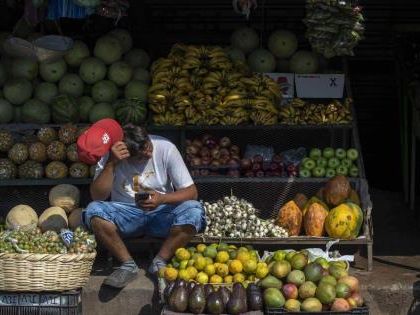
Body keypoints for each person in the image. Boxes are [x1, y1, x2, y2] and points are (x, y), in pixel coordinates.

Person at [77, 119, 206, 288]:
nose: (149, 154)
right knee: (93, 211)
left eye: (148, 146)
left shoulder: (166, 147)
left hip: (161, 213)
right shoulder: (112, 155)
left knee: (194, 211)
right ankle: (128, 265)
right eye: (141, 155)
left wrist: (162, 198)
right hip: (126, 216)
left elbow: (192, 192)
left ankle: (160, 261)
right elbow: (97, 196)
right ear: (125, 154)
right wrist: (111, 164)